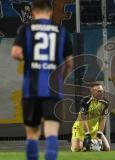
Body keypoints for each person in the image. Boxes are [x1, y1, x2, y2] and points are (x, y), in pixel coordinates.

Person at [11, 0, 73, 160]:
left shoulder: (26, 29)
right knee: (51, 132)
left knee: (32, 134)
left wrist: (31, 61)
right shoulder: (61, 31)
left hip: (31, 89)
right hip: (53, 90)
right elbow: (70, 63)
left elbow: (16, 53)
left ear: (33, 13)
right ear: (51, 12)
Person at [71, 83, 110, 152]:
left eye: (102, 91)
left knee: (107, 148)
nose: (101, 93)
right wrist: (87, 134)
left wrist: (99, 133)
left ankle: (87, 146)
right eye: (99, 91)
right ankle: (78, 143)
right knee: (77, 148)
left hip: (94, 130)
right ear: (93, 91)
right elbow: (83, 119)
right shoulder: (85, 101)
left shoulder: (105, 102)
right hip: (80, 129)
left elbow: (103, 119)